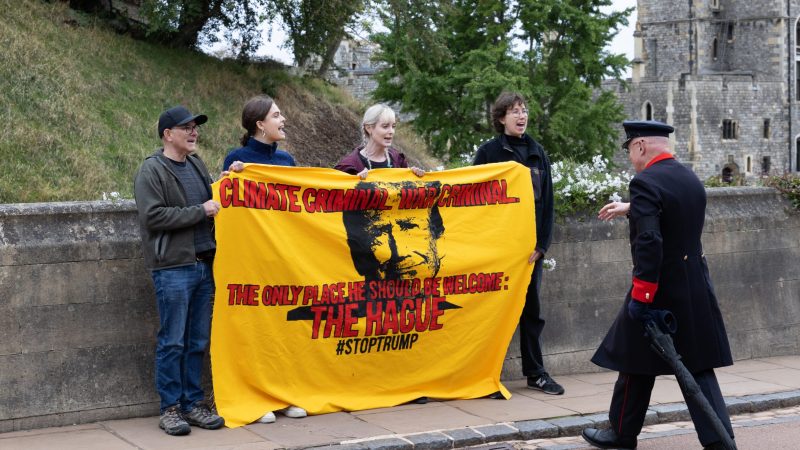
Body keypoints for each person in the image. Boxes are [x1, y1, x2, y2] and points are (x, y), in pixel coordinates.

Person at [581, 121, 735, 450]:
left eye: (630, 150)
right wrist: (632, 209)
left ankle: (622, 434)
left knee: (634, 357)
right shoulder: (688, 177)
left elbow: (649, 242)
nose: (631, 158)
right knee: (682, 365)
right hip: (694, 283)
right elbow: (673, 212)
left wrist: (642, 295)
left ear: (640, 146)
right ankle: (718, 440)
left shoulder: (645, 182)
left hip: (659, 289)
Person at [133, 105, 225, 436]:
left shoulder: (197, 164)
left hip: (203, 265)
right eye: (186, 127)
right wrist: (199, 211)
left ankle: (192, 404)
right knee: (173, 341)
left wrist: (233, 178)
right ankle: (170, 409)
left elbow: (215, 199)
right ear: (167, 134)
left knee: (197, 341)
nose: (194, 132)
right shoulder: (151, 170)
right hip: (173, 267)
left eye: (195, 127)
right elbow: (153, 216)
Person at [222, 94, 307, 424]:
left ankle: (284, 395)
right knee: (255, 331)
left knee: (285, 331)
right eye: (277, 115)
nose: (283, 120)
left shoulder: (287, 160)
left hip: (284, 258)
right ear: (260, 124)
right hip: (253, 260)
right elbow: (228, 203)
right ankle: (255, 398)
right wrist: (231, 177)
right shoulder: (238, 159)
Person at [472, 92, 563, 396]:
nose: (521, 116)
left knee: (532, 311)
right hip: (498, 249)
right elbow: (473, 200)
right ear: (501, 118)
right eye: (514, 111)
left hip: (529, 252)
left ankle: (536, 373)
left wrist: (542, 245)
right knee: (492, 312)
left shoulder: (538, 153)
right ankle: (485, 376)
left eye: (524, 110)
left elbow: (548, 203)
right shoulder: (488, 153)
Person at [334, 103, 424, 179]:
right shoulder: (349, 167)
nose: (391, 131)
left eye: (393, 126)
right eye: (385, 126)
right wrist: (355, 183)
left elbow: (406, 191)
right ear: (369, 128)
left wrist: (415, 177)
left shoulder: (398, 160)